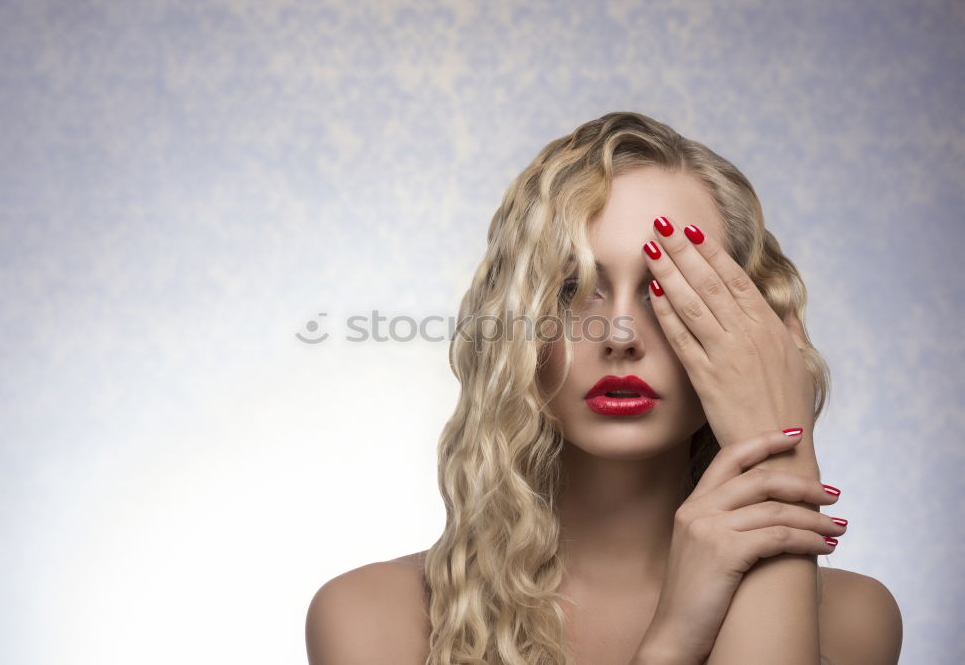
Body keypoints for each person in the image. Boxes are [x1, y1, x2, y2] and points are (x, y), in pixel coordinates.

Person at [305, 112, 902, 664]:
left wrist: (778, 440)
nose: (619, 335)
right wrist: (672, 640)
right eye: (572, 289)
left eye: (670, 289)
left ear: (755, 333)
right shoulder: (373, 617)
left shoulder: (852, 620)